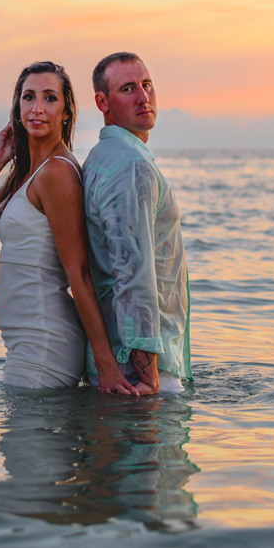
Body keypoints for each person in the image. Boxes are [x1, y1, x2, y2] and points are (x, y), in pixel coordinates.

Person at [0, 61, 136, 395]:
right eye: (28, 97)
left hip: (45, 343)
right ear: (17, 108)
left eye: (50, 98)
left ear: (66, 112)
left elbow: (79, 274)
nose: (37, 108)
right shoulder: (27, 174)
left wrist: (106, 364)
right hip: (23, 342)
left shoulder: (56, 173)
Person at [83, 52, 191, 395]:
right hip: (138, 372)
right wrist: (149, 375)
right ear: (103, 102)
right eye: (128, 89)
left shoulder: (101, 159)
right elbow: (133, 274)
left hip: (122, 364)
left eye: (147, 85)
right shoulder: (131, 167)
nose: (144, 97)